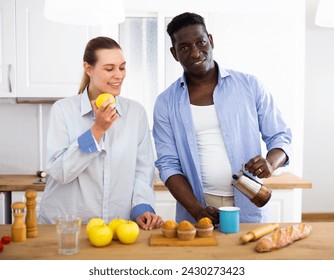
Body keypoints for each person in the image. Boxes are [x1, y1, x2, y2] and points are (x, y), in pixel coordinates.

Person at [153, 12, 292, 224]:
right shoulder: (165, 103)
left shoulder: (250, 85)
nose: (195, 52)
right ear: (174, 53)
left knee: (249, 256)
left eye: (200, 42)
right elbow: (168, 164)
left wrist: (271, 164)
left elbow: (280, 136)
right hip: (198, 207)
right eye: (184, 47)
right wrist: (197, 210)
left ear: (211, 40)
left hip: (249, 202)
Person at [39, 36, 163, 230]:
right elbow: (60, 172)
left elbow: (143, 170)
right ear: (88, 69)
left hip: (116, 227)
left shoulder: (135, 113)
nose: (119, 75)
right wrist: (97, 130)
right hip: (66, 226)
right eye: (109, 68)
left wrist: (141, 208)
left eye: (122, 68)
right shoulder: (63, 110)